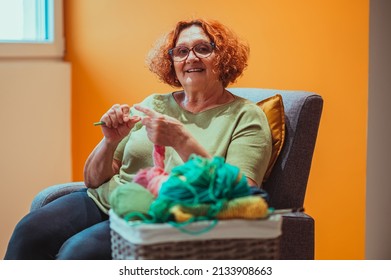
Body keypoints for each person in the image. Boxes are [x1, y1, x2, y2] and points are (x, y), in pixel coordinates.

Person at [4, 18, 272, 260]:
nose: (191, 58)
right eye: (181, 51)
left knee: (78, 252)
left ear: (223, 57)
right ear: (172, 62)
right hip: (106, 200)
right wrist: (109, 141)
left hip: (159, 216)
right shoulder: (152, 104)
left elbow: (241, 192)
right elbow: (93, 179)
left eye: (203, 48)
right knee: (29, 232)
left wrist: (181, 140)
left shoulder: (246, 116)